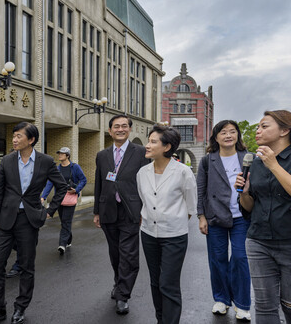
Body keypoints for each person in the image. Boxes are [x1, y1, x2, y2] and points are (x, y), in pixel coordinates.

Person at [0, 122, 68, 324]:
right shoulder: (7, 160)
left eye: (19, 136)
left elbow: (61, 187)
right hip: (5, 220)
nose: (14, 140)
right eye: (13, 136)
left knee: (27, 266)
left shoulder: (45, 161)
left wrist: (49, 212)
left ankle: (20, 308)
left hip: (28, 221)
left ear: (31, 140)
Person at [235, 110, 291, 324]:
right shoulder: (257, 162)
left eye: (264, 126)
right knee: (264, 305)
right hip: (259, 241)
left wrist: (274, 165)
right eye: (258, 126)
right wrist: (244, 191)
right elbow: (249, 207)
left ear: (285, 130)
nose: (257, 130)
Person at [136, 125, 197, 324]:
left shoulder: (183, 172)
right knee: (155, 282)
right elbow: (144, 201)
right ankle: (160, 319)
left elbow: (190, 206)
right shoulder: (142, 173)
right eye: (149, 140)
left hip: (174, 236)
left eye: (153, 142)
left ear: (167, 146)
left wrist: (172, 222)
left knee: (168, 283)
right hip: (148, 234)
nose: (147, 145)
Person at [93, 114, 149, 315]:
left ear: (129, 129)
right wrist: (96, 211)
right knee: (115, 253)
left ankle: (123, 295)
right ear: (110, 131)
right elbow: (99, 182)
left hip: (130, 210)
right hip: (108, 210)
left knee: (129, 254)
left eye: (124, 126)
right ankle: (118, 282)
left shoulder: (141, 152)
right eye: (116, 126)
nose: (120, 129)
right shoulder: (102, 155)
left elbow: (146, 183)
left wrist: (145, 209)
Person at [196, 120, 251, 321]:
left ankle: (243, 304)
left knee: (240, 258)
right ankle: (221, 299)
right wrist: (202, 216)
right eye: (223, 132)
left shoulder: (248, 158)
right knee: (217, 259)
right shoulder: (207, 160)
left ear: (238, 135)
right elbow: (200, 190)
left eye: (232, 132)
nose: (228, 135)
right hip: (215, 217)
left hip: (242, 217)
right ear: (216, 137)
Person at [41, 147, 87, 255]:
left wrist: (77, 190)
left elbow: (83, 179)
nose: (60, 155)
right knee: (64, 221)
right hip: (59, 198)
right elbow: (50, 183)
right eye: (59, 153)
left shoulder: (75, 167)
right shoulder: (57, 169)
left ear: (67, 156)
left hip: (70, 198)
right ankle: (68, 239)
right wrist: (43, 196)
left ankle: (62, 244)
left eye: (62, 154)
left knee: (66, 220)